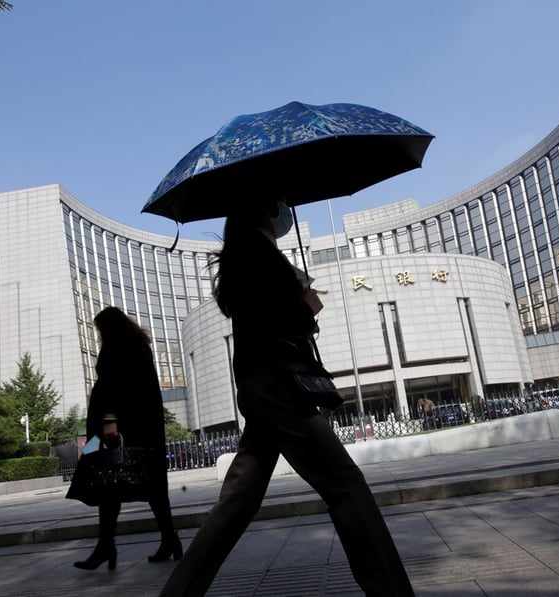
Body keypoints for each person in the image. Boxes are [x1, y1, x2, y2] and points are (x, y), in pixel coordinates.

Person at [160, 200, 413, 596]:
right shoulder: (259, 253)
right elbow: (277, 321)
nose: (284, 211)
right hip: (279, 388)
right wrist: (307, 307)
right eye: (278, 203)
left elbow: (252, 314)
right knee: (346, 485)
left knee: (236, 503)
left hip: (262, 389)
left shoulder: (242, 253)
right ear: (261, 209)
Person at [71, 306, 181, 570]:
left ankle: (106, 547)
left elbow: (112, 386)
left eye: (99, 329)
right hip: (142, 429)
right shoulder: (139, 345)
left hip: (114, 430)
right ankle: (169, 540)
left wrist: (109, 420)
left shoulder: (116, 346)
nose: (98, 335)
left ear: (107, 327)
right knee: (151, 485)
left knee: (104, 482)